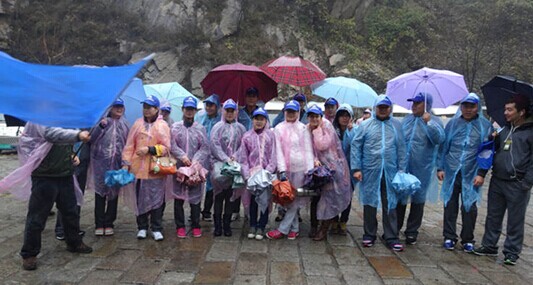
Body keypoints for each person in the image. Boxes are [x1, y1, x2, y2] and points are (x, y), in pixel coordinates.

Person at [18, 123, 93, 270]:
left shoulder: (61, 115)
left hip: (64, 173)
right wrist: (77, 135)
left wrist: (71, 154)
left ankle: (74, 242)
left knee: (70, 212)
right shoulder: (38, 117)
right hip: (44, 176)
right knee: (37, 217)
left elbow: (63, 141)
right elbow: (51, 134)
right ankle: (29, 253)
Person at [473, 94, 533, 265]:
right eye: (505, 109)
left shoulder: (529, 133)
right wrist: (482, 173)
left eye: (509, 109)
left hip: (518, 182)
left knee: (515, 219)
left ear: (521, 112)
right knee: (493, 215)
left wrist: (527, 182)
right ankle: (489, 245)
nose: (505, 113)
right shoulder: (503, 131)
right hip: (498, 180)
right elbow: (489, 154)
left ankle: (512, 251)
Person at [351, 95, 407, 252]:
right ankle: (369, 234)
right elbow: (356, 146)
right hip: (370, 170)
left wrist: (402, 170)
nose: (383, 109)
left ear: (390, 108)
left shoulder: (396, 125)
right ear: (376, 107)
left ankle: (391, 236)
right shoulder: (366, 125)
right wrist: (356, 168)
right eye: (380, 107)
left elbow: (402, 148)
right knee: (369, 202)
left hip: (391, 171)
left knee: (390, 202)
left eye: (386, 107)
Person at [438, 93, 492, 252]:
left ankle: (468, 238)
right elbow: (443, 148)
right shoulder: (453, 124)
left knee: (469, 206)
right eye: (465, 106)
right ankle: (449, 236)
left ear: (477, 107)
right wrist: (440, 167)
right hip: (451, 170)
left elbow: (487, 151)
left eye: (472, 106)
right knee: (450, 204)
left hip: (472, 172)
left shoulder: (484, 126)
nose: (468, 109)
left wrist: (481, 173)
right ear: (461, 107)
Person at [397, 93, 444, 245]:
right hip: (405, 165)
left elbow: (439, 139)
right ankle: (395, 228)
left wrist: (429, 123)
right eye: (413, 103)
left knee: (418, 199)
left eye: (418, 103)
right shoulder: (407, 119)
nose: (414, 106)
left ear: (426, 105)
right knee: (400, 196)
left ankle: (412, 231)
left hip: (422, 166)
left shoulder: (434, 121)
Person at [122, 95, 171, 241]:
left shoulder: (163, 126)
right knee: (140, 198)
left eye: (150, 107)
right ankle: (142, 226)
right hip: (138, 169)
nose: (146, 110)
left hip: (156, 168)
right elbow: (129, 145)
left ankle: (156, 227)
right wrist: (126, 163)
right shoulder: (137, 124)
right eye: (145, 107)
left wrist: (150, 149)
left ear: (157, 109)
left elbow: (167, 147)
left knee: (157, 198)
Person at [267, 100, 315, 240]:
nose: (291, 114)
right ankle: (294, 228)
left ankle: (283, 229)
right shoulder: (279, 128)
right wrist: (281, 170)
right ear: (284, 112)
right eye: (288, 111)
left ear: (298, 112)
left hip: (300, 168)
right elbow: (278, 151)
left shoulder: (303, 128)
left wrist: (309, 170)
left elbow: (308, 149)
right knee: (287, 198)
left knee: (295, 199)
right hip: (285, 170)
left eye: (294, 111)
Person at [306, 105, 352, 241]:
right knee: (315, 197)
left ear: (321, 116)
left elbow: (322, 145)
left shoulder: (326, 126)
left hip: (332, 169)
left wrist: (316, 130)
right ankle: (314, 225)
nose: (314, 119)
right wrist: (313, 159)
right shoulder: (307, 128)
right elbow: (307, 147)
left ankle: (324, 229)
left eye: (316, 116)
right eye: (311, 116)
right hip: (316, 168)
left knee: (329, 198)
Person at [169, 96, 210, 238]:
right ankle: (180, 226)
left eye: (192, 109)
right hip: (179, 167)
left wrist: (195, 161)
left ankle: (195, 225)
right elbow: (171, 145)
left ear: (195, 111)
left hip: (195, 168)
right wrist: (182, 157)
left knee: (196, 197)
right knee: (178, 197)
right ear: (182, 109)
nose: (189, 112)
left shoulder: (200, 128)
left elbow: (205, 147)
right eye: (187, 109)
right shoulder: (175, 127)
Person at [88, 98, 130, 236]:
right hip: (100, 163)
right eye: (116, 106)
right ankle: (99, 223)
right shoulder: (102, 122)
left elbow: (128, 146)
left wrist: (126, 163)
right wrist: (100, 127)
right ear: (110, 108)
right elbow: (91, 139)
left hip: (117, 164)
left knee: (113, 194)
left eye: (121, 107)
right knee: (100, 193)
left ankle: (109, 222)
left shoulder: (125, 125)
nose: (119, 109)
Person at [237, 107, 277, 240]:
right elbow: (243, 157)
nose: (259, 122)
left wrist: (269, 171)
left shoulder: (271, 136)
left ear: (266, 121)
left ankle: (262, 225)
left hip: (265, 174)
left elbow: (273, 155)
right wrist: (247, 174)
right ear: (252, 120)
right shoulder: (247, 136)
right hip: (253, 174)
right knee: (253, 200)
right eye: (256, 119)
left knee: (265, 200)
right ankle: (253, 224)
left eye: (262, 119)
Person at [210, 99, 247, 236]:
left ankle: (227, 225)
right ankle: (217, 225)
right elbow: (214, 145)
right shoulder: (217, 127)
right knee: (219, 196)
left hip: (234, 165)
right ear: (223, 111)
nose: (230, 113)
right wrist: (225, 158)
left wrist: (235, 157)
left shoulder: (241, 128)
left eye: (232, 111)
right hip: (219, 165)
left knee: (231, 196)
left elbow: (244, 145)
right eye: (227, 110)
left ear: (236, 112)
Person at [331, 103, 357, 235]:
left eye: (347, 116)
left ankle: (343, 221)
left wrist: (351, 132)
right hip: (335, 170)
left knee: (347, 197)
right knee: (334, 196)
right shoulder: (332, 131)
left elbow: (356, 149)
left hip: (350, 170)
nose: (345, 118)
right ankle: (334, 220)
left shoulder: (354, 131)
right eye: (342, 115)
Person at [197, 94, 221, 222]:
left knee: (212, 183)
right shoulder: (200, 117)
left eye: (212, 105)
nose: (209, 107)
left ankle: (206, 210)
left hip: (214, 156)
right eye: (207, 105)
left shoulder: (220, 120)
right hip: (201, 154)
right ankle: (195, 210)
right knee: (197, 180)